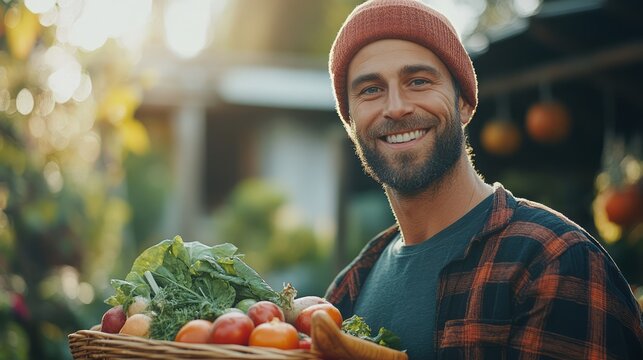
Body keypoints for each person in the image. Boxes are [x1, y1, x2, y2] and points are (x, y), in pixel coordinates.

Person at [323, 0, 643, 358]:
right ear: (350, 122)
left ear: (464, 103)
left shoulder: (554, 260)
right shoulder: (347, 291)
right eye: (370, 90)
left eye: (418, 81)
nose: (396, 106)